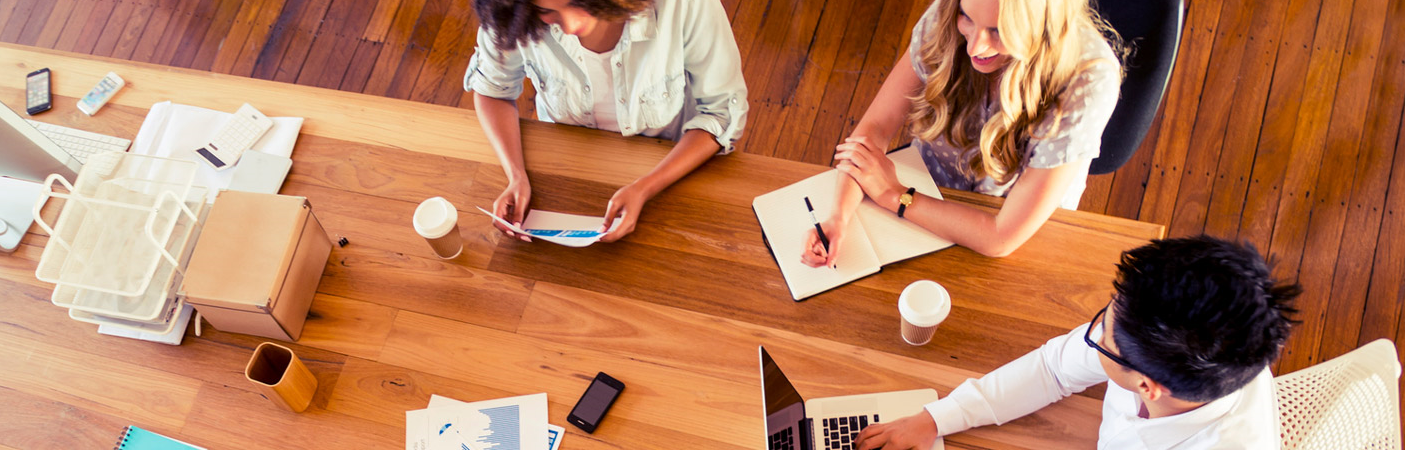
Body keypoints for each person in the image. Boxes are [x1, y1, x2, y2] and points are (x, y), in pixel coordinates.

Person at [856, 236, 1300, 449]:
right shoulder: (1169, 342)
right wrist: (937, 418)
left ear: (1148, 387)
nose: (1093, 337)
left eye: (1105, 339)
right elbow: (1053, 370)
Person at [802, 0, 1121, 264]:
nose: (975, 46)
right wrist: (838, 218)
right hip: (928, 189)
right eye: (966, 18)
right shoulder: (952, 14)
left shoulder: (1089, 80)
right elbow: (875, 129)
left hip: (1014, 221)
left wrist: (894, 196)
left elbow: (1000, 239)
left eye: (998, 31)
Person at [465, 0, 747, 243]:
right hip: (562, 173)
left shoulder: (682, 6)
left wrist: (645, 188)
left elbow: (720, 114)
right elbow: (492, 90)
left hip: (671, 169)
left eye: (579, 2)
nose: (571, 25)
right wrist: (516, 175)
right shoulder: (514, 10)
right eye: (545, 10)